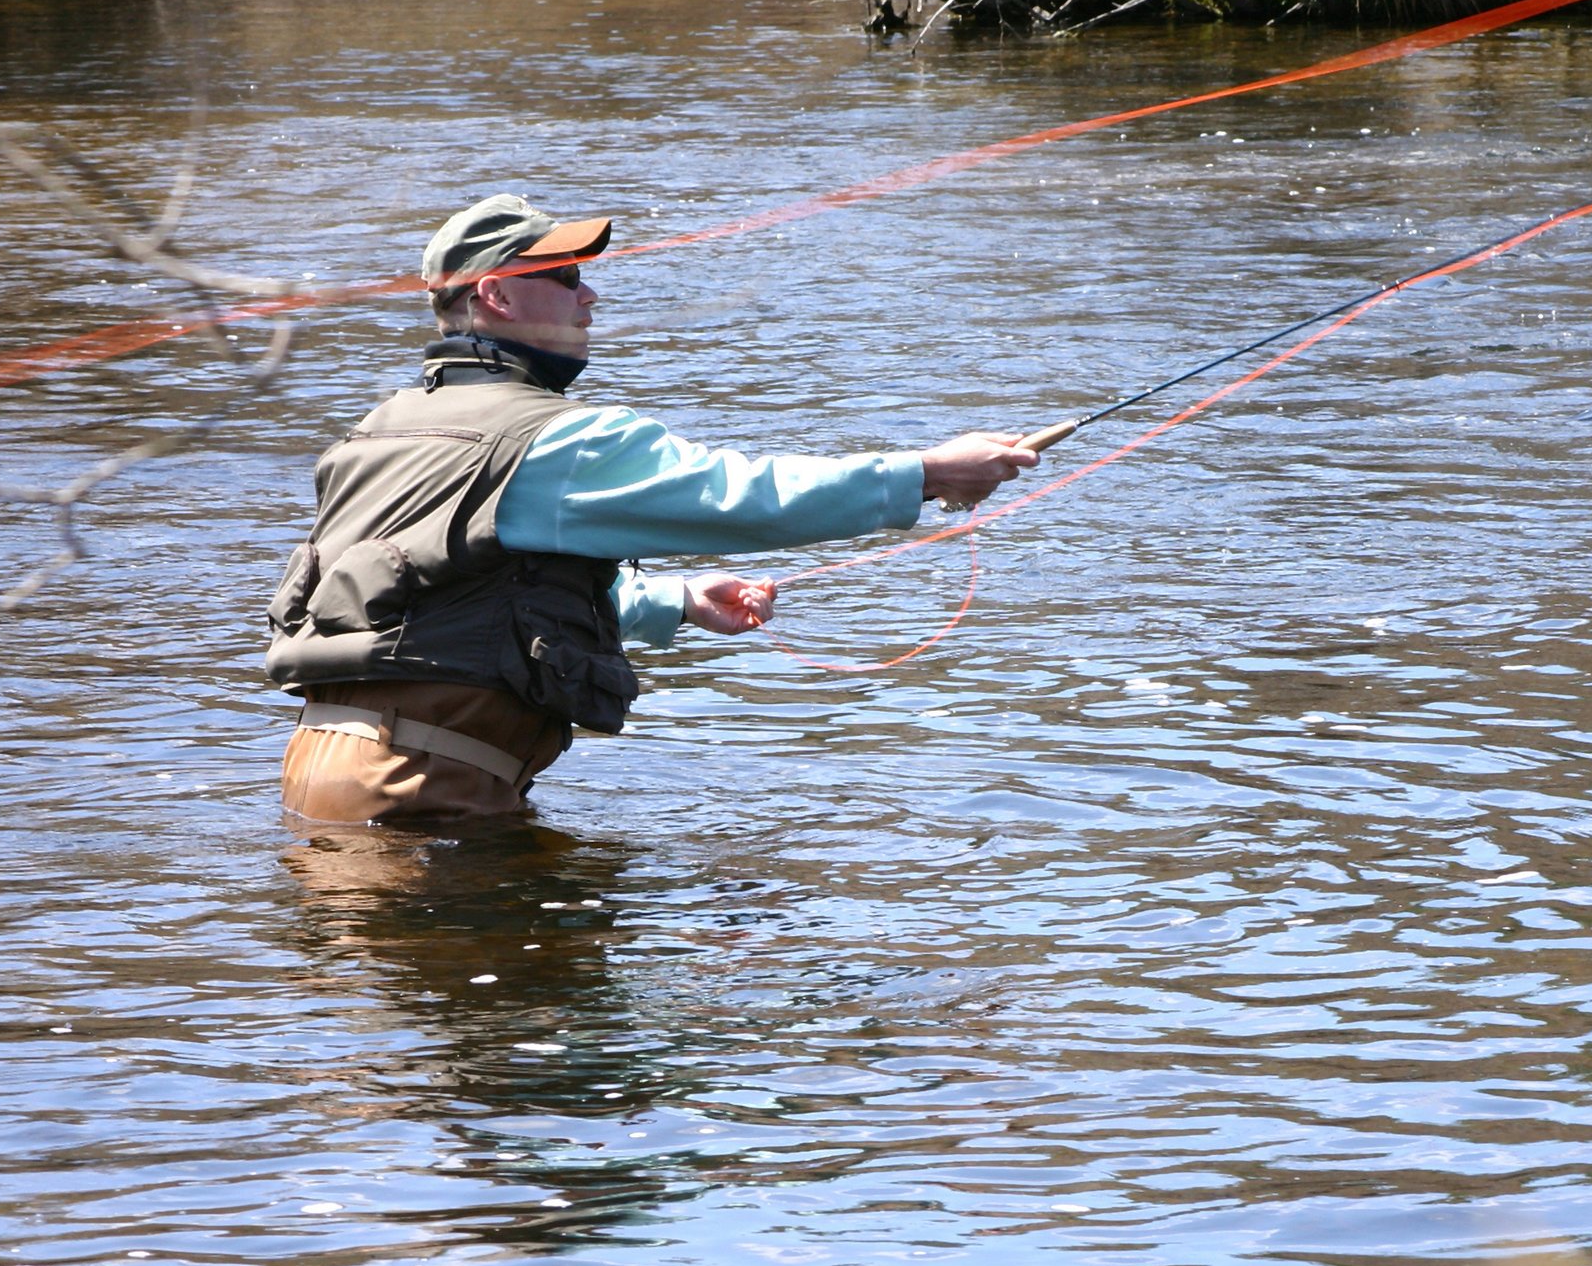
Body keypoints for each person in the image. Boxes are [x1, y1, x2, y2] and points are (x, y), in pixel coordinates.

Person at [264, 194, 1038, 823]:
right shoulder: (559, 438)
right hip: (424, 788)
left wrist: (671, 601)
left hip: (324, 777)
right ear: (495, 294)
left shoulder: (378, 428)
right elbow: (744, 499)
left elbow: (444, 593)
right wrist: (927, 473)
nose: (590, 295)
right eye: (566, 276)